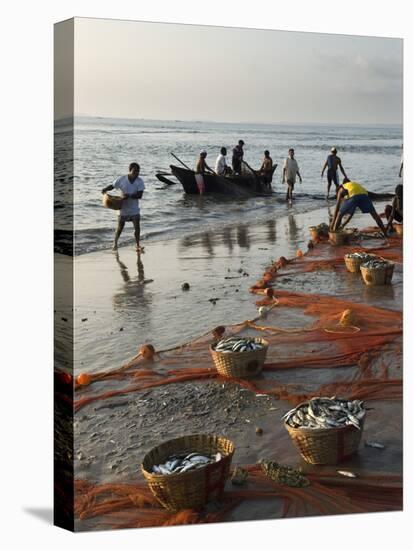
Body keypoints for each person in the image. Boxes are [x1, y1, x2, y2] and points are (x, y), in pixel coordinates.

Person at [101, 162, 145, 252]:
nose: (136, 173)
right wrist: (105, 189)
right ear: (129, 171)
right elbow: (112, 186)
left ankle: (137, 245)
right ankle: (115, 244)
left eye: (138, 172)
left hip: (134, 209)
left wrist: (129, 196)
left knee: (137, 227)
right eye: (134, 171)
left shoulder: (139, 181)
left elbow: (140, 195)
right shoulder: (122, 179)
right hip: (123, 208)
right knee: (120, 227)